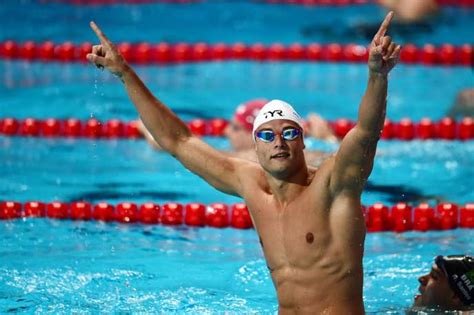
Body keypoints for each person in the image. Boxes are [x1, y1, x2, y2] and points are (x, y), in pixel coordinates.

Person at [87, 11, 400, 314]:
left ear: (303, 142)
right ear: (255, 146)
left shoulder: (333, 186)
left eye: (288, 133)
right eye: (267, 136)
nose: (278, 142)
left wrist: (376, 76)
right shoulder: (251, 185)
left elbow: (366, 133)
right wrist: (125, 73)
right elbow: (178, 142)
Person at [137, 98, 338, 165]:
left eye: (235, 127)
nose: (225, 131)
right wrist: (328, 139)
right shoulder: (306, 153)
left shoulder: (250, 157)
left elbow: (179, 146)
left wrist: (146, 128)